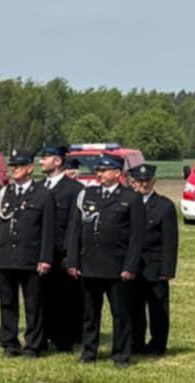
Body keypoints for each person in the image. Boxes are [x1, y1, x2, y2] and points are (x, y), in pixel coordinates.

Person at [68, 155, 143, 367]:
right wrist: (73, 261)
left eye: (104, 170)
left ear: (117, 173)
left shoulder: (130, 198)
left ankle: (121, 354)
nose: (99, 174)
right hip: (90, 263)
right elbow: (75, 230)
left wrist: (130, 266)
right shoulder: (88, 195)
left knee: (120, 313)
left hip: (116, 266)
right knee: (90, 314)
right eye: (98, 170)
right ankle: (89, 351)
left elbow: (136, 237)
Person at [0, 152, 50, 358]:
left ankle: (33, 345)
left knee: (33, 304)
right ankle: (10, 343)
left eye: (19, 166)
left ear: (30, 168)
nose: (14, 169)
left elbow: (47, 230)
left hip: (30, 257)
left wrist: (45, 257)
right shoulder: (3, 193)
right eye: (12, 166)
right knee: (7, 303)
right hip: (5, 255)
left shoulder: (43, 194)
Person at [128, 164, 178, 358]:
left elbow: (170, 240)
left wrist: (167, 269)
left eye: (147, 180)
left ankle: (158, 345)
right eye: (140, 181)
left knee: (158, 309)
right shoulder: (128, 203)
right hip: (133, 267)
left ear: (154, 181)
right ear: (133, 182)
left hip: (155, 266)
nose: (143, 184)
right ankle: (136, 342)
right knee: (134, 308)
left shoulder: (164, 206)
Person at [40, 146, 82, 355]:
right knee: (41, 297)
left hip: (60, 253)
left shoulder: (74, 189)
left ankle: (64, 339)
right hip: (40, 253)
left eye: (45, 158)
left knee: (64, 299)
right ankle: (42, 335)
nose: (41, 161)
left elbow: (74, 225)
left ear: (57, 161)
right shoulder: (38, 188)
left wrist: (69, 254)